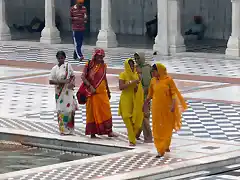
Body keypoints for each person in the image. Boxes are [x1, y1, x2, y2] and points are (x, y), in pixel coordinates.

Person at [143, 63, 187, 157]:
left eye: (154, 71)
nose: (153, 73)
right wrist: (145, 104)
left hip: (168, 108)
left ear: (159, 71)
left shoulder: (168, 80)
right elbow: (150, 94)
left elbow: (174, 93)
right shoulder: (153, 81)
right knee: (156, 127)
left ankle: (166, 145)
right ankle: (160, 149)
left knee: (167, 127)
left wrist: (173, 104)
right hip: (156, 109)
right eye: (152, 72)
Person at [81, 48, 116, 138]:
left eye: (102, 57)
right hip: (91, 92)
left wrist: (108, 90)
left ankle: (109, 131)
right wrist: (90, 86)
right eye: (99, 56)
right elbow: (83, 77)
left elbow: (104, 78)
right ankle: (93, 132)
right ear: (95, 56)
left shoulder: (104, 66)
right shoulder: (89, 64)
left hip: (102, 92)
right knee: (92, 112)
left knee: (106, 111)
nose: (100, 58)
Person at [49, 51, 78, 135]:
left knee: (70, 110)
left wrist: (71, 83)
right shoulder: (54, 69)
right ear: (57, 58)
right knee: (61, 111)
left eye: (62, 58)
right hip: (59, 93)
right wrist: (61, 82)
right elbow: (51, 81)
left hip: (68, 92)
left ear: (65, 58)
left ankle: (70, 129)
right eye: (59, 58)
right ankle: (63, 130)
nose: (61, 59)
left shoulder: (68, 66)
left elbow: (72, 76)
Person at [118, 58, 144, 146]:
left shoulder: (136, 75)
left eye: (133, 65)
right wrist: (132, 82)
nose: (132, 67)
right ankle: (132, 140)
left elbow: (137, 88)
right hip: (125, 100)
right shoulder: (123, 75)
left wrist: (136, 84)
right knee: (127, 120)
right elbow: (121, 87)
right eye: (130, 65)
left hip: (135, 101)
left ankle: (133, 136)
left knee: (136, 123)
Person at [134, 52, 153, 143]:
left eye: (138, 58)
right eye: (136, 59)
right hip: (137, 96)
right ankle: (137, 134)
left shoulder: (148, 67)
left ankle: (147, 137)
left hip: (146, 95)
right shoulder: (135, 68)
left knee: (145, 115)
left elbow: (152, 81)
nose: (137, 60)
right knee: (140, 115)